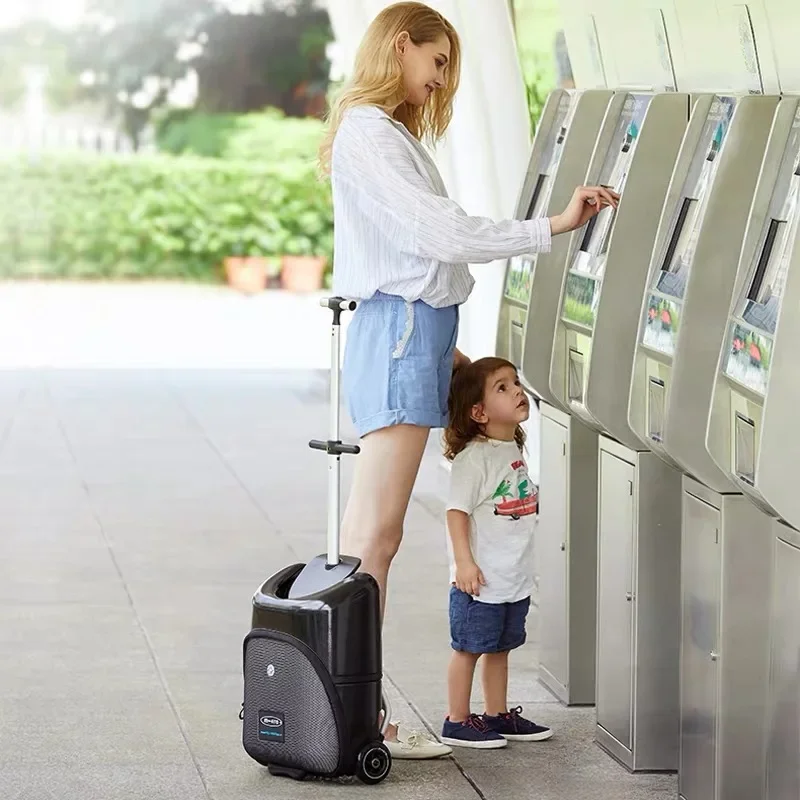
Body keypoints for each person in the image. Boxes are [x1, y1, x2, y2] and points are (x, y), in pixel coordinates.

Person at [318, 1, 619, 760]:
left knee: (369, 539)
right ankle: (359, 718)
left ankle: (352, 710)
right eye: (437, 60)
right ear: (399, 45)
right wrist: (546, 228)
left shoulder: (377, 133)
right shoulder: (367, 133)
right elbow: (437, 235)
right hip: (402, 334)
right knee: (372, 542)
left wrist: (452, 355)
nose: (440, 78)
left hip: (416, 336)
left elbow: (424, 254)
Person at [440, 357, 550, 748]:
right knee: (469, 649)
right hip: (480, 581)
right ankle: (457, 719)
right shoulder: (475, 458)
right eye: (502, 387)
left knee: (500, 648)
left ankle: (496, 714)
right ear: (479, 412)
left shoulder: (512, 446)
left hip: (511, 577)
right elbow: (456, 513)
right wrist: (464, 562)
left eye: (515, 382)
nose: (518, 391)